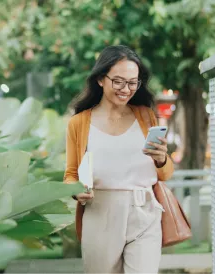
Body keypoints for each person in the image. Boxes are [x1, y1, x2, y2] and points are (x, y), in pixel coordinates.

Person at [63, 45, 174, 273]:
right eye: (119, 81)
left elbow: (164, 174)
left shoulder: (146, 116)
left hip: (145, 212)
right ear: (101, 79)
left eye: (133, 82)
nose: (126, 89)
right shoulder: (79, 123)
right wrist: (76, 189)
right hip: (100, 211)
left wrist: (163, 159)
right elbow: (70, 175)